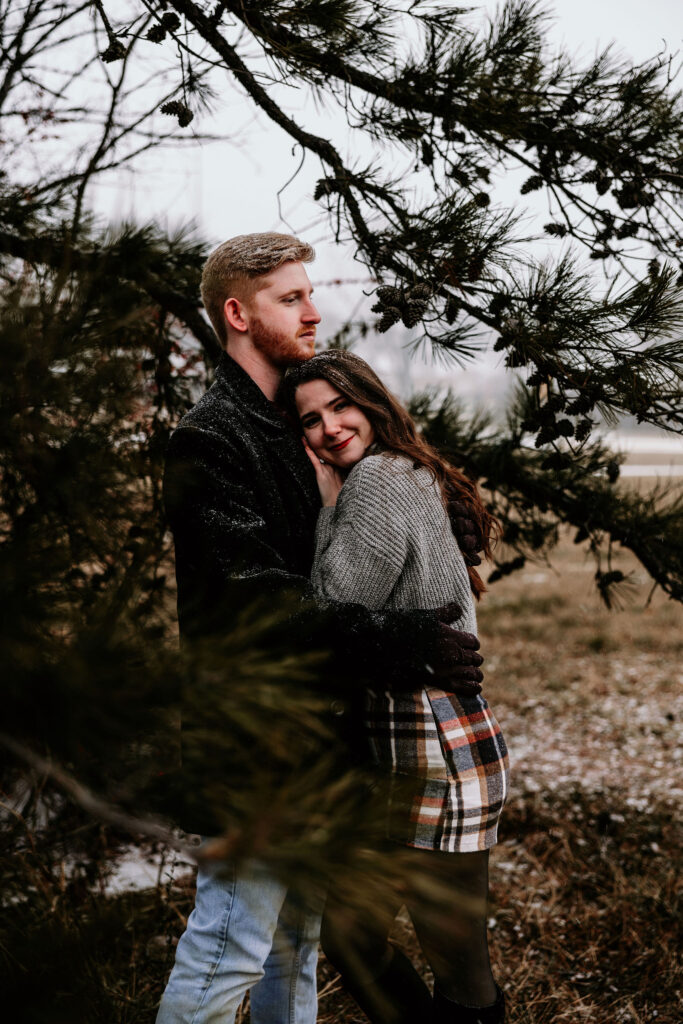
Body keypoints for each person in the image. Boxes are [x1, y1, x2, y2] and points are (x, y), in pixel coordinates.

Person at [156, 232, 489, 1024]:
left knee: (294, 948)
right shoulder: (212, 438)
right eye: (291, 297)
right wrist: (400, 640)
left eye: (310, 293)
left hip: (321, 745)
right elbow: (256, 600)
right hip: (254, 745)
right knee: (228, 948)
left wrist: (436, 528)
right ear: (236, 313)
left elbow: (356, 529)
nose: (315, 311)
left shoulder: (294, 427)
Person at [281, 349, 510, 1024]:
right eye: (310, 419)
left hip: (431, 742)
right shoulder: (411, 469)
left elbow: (330, 603)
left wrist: (326, 505)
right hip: (414, 737)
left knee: (461, 972)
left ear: (371, 402)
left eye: (340, 406)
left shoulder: (377, 479)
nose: (328, 428)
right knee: (351, 936)